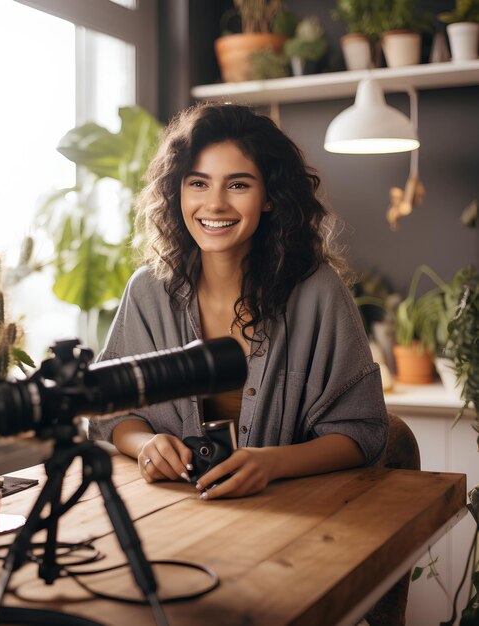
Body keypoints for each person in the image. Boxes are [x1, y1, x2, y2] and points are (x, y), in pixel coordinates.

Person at [88, 102, 388, 500]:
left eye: (238, 185)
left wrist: (271, 463)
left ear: (269, 197)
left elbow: (361, 431)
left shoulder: (319, 291)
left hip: (296, 519)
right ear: (177, 191)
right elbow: (112, 410)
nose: (214, 204)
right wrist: (145, 445)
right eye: (198, 183)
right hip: (171, 514)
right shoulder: (147, 291)